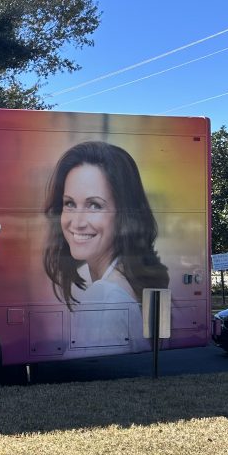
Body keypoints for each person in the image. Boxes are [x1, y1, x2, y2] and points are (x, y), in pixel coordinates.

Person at [42, 141, 168, 348]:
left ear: (124, 215)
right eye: (70, 203)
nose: (77, 222)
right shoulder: (128, 283)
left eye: (94, 205)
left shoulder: (103, 297)